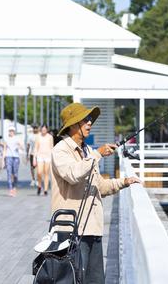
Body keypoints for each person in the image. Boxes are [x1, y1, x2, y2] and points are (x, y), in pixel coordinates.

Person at [51, 103, 141, 284]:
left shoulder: (87, 151)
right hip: (71, 230)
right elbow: (73, 174)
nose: (89, 123)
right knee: (73, 280)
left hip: (92, 228)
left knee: (95, 280)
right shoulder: (60, 150)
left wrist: (123, 182)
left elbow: (98, 185)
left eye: (90, 119)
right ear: (72, 125)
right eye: (85, 120)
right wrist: (97, 154)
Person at [33, 124, 54, 196]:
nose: (43, 131)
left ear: (47, 130)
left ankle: (45, 189)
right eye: (42, 129)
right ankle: (39, 186)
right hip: (40, 156)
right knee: (39, 172)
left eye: (45, 129)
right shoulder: (38, 137)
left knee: (46, 173)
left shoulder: (50, 137)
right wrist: (34, 158)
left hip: (48, 156)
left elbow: (52, 147)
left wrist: (52, 158)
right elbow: (35, 147)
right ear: (41, 130)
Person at [3, 126, 24, 197]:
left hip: (16, 157)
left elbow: (22, 147)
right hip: (8, 157)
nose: (11, 132)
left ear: (14, 132)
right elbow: (5, 149)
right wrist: (3, 159)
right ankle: (10, 189)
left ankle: (14, 187)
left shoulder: (17, 138)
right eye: (10, 131)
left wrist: (19, 146)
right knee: (9, 173)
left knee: (15, 174)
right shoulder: (6, 139)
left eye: (12, 131)